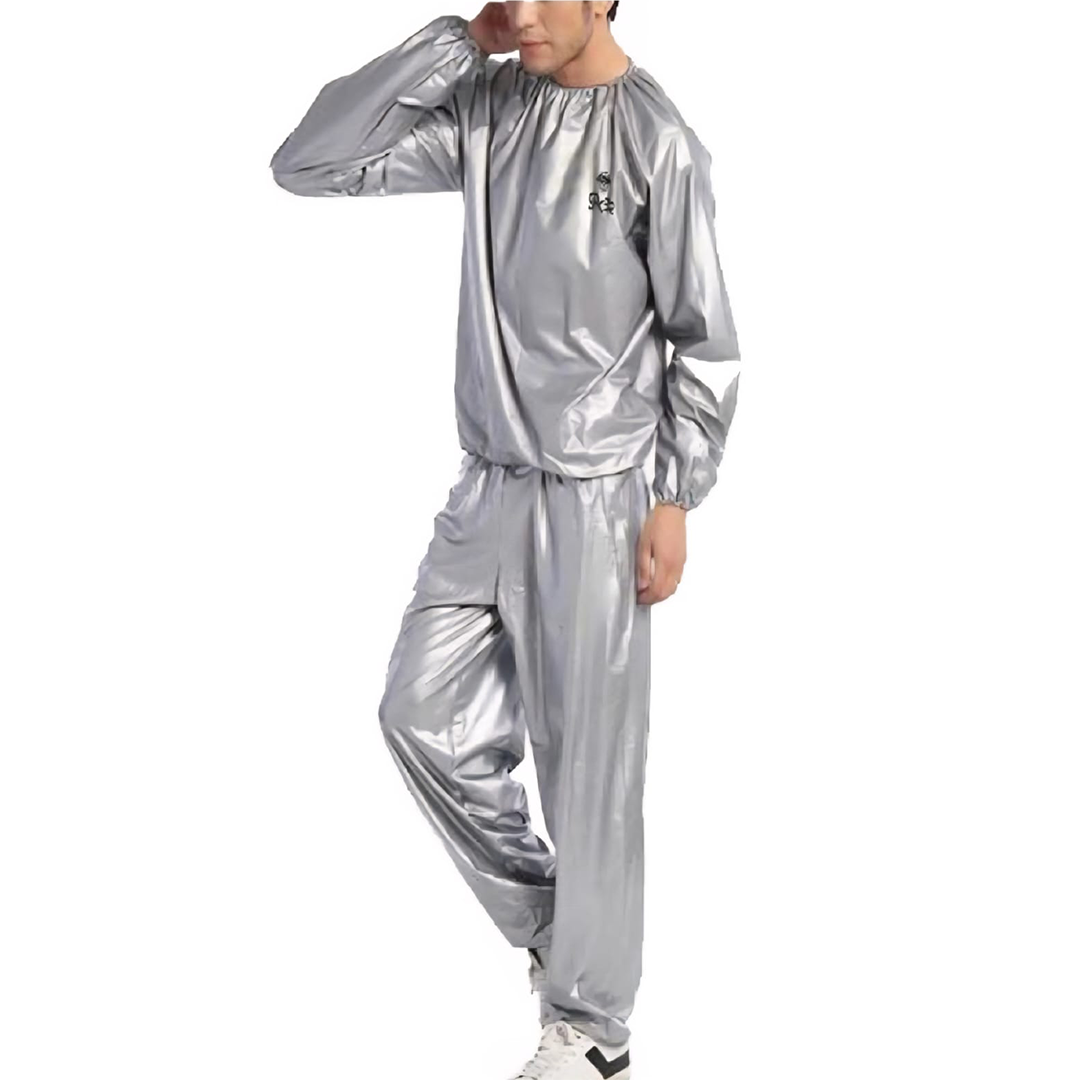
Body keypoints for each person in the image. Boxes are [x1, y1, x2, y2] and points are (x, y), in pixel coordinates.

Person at [269, 3, 741, 1076]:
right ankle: (565, 936)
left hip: (599, 499)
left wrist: (677, 494)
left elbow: (704, 336)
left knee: (590, 772)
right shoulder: (490, 110)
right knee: (415, 714)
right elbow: (309, 164)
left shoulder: (658, 140)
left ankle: (592, 1032)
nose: (520, 13)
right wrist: (452, 44)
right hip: (485, 486)